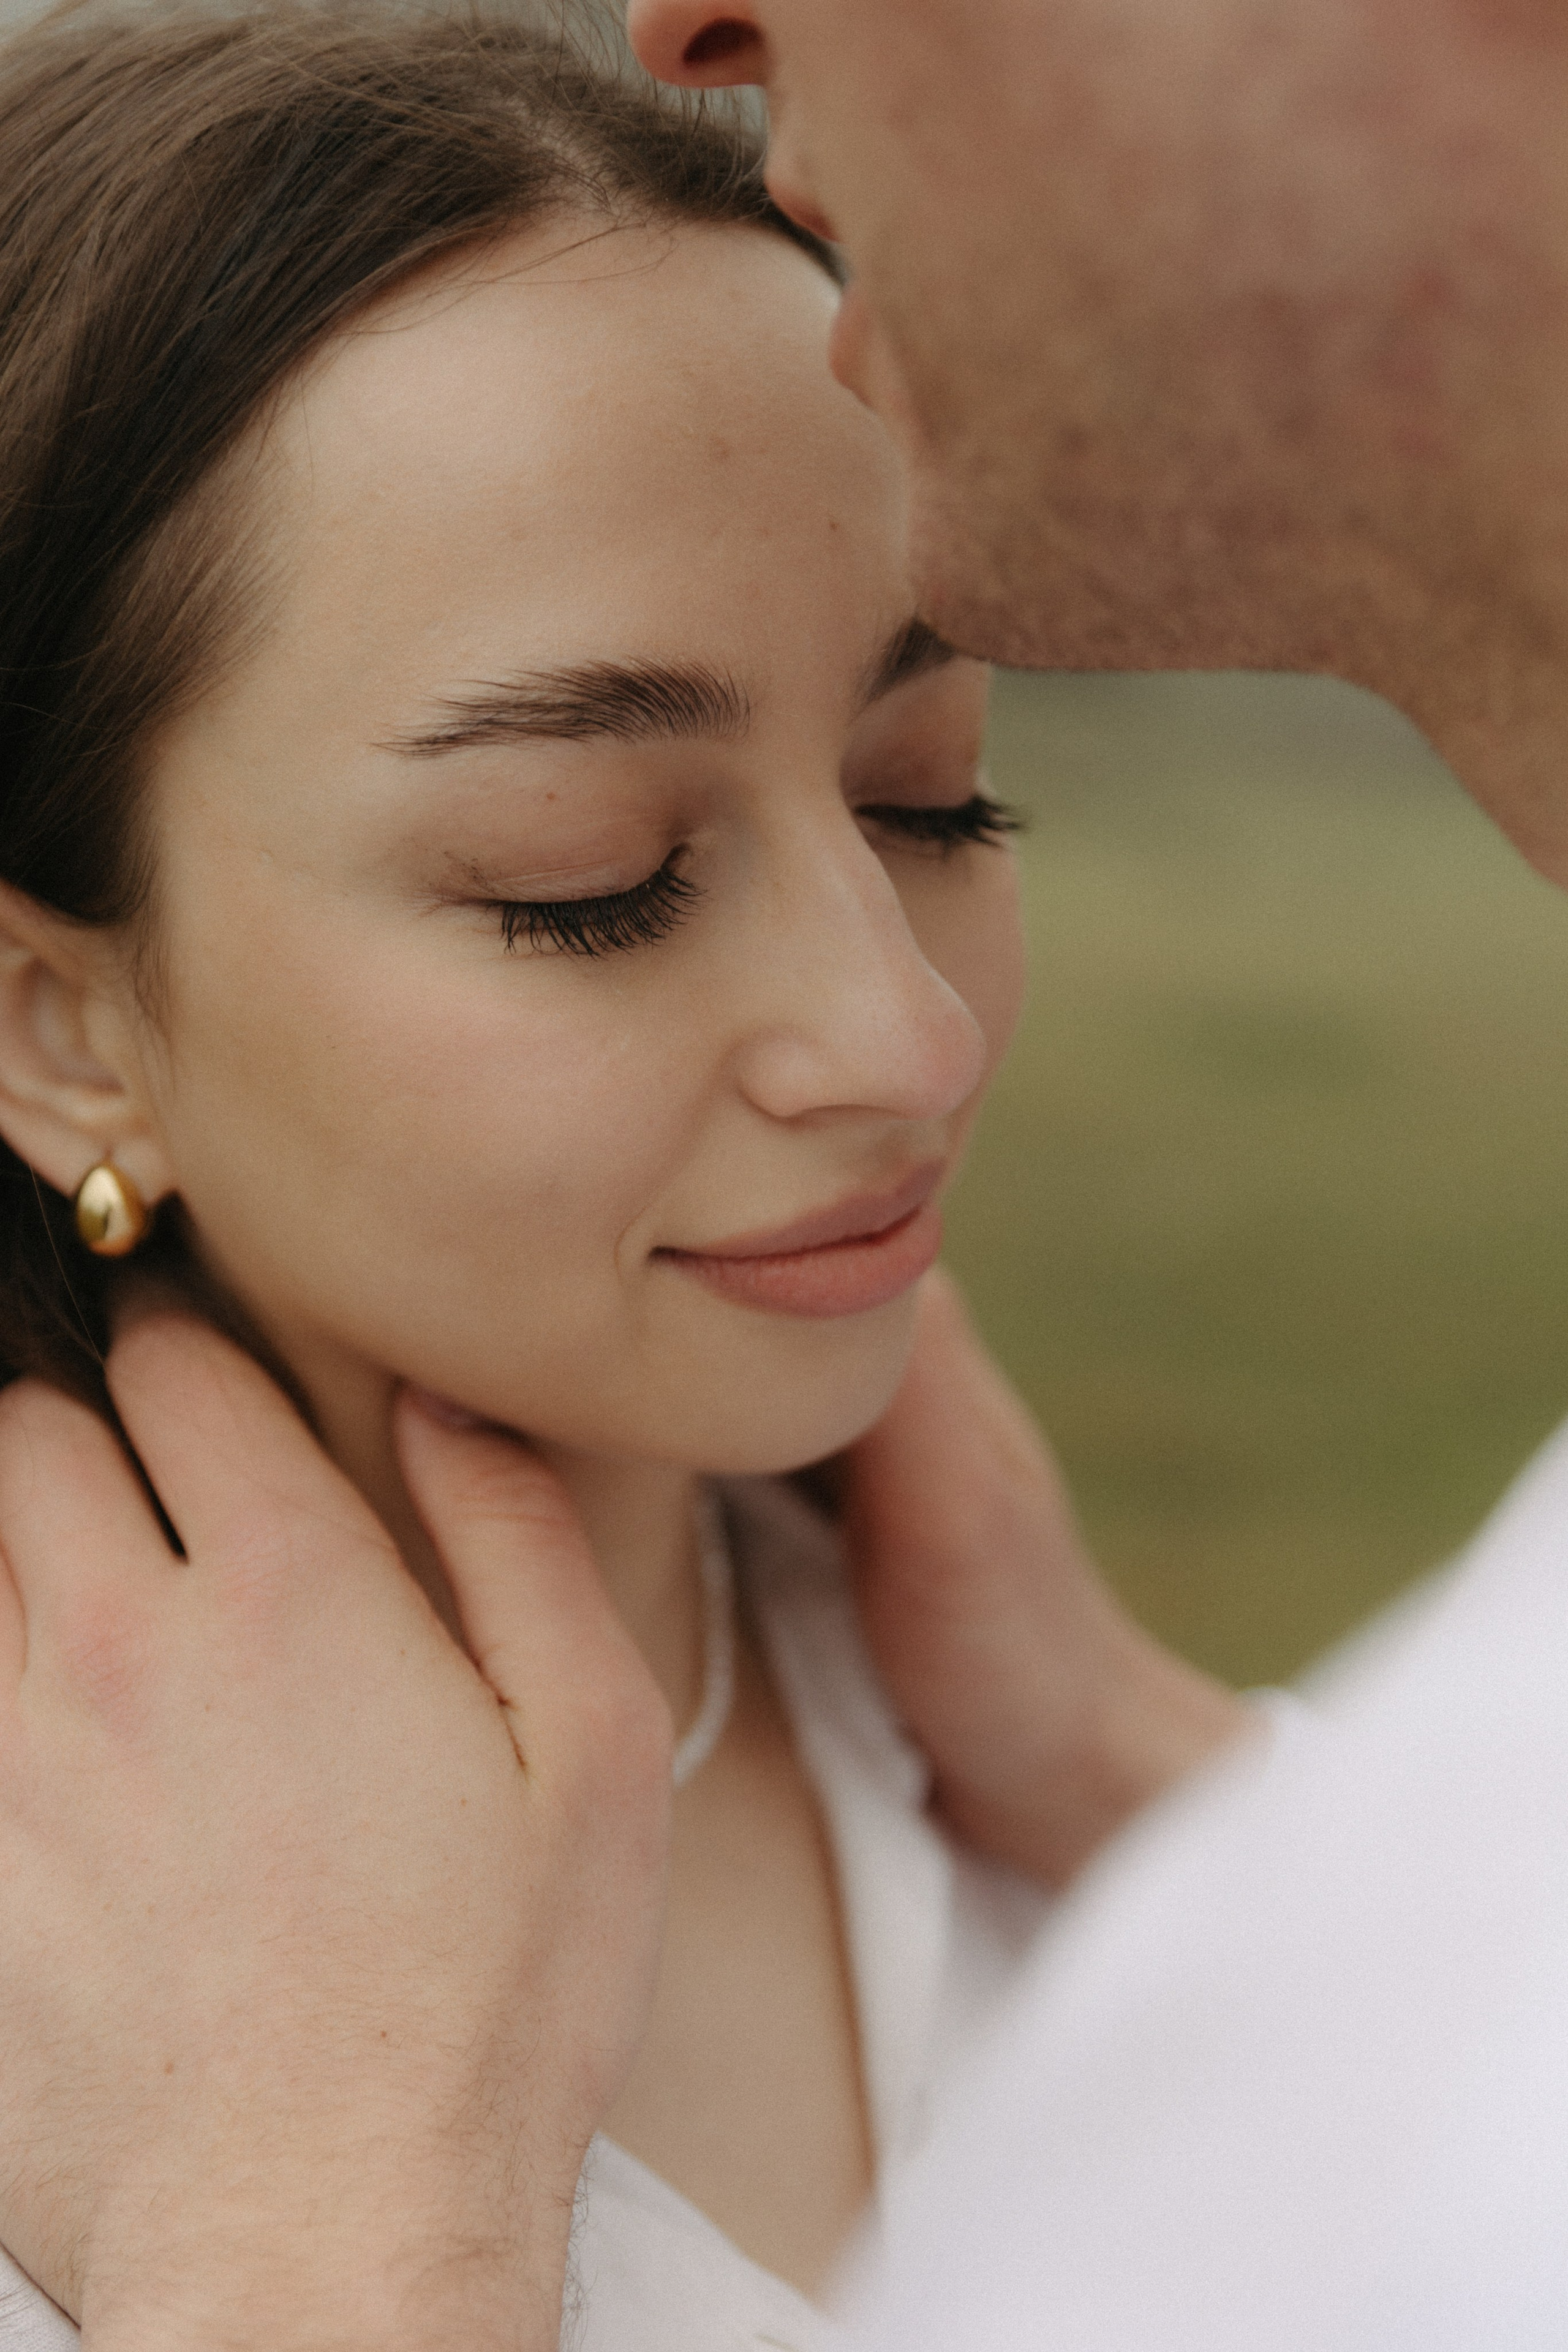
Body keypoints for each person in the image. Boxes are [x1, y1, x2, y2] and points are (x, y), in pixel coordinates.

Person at [6, 0, 1563, 2345]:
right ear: (62, 1027)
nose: (905, 1039)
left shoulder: (1074, 1759)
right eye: (594, 877)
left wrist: (1167, 1803)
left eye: (937, 795)